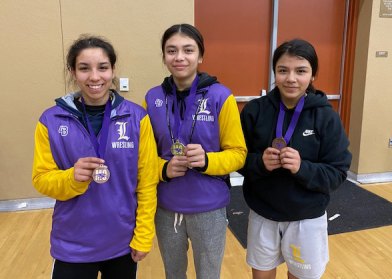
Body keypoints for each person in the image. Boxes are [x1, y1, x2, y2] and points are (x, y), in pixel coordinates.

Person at [32, 35, 158, 278]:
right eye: (84, 68)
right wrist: (71, 178)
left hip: (122, 242)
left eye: (102, 67)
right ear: (72, 72)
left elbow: (147, 181)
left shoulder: (137, 117)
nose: (94, 77)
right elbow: (41, 178)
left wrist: (143, 235)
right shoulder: (50, 120)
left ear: (112, 69)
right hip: (72, 244)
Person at [239, 39, 352, 279]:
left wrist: (303, 168)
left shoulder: (326, 117)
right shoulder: (254, 111)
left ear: (313, 76)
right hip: (263, 213)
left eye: (301, 71)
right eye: (283, 70)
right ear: (274, 73)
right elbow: (237, 160)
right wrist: (259, 163)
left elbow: (338, 172)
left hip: (306, 218)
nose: (291, 78)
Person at [143, 23, 247, 279]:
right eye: (171, 50)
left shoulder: (221, 96)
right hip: (166, 206)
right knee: (174, 274)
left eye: (188, 50)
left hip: (209, 207)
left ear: (200, 56)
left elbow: (238, 153)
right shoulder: (151, 98)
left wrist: (207, 160)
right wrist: (164, 169)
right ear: (164, 57)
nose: (179, 57)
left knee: (208, 275)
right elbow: (142, 158)